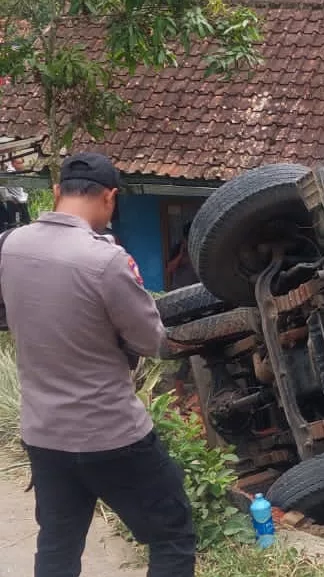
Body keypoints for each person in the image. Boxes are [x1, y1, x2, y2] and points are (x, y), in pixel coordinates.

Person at [0, 152, 196, 577]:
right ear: (110, 198)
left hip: (44, 434)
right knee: (172, 538)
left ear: (56, 193)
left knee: (57, 545)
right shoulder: (105, 260)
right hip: (111, 435)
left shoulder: (10, 245)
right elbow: (151, 341)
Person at [166, 222, 198, 290]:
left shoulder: (198, 247)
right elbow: (169, 269)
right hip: (180, 289)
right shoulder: (178, 248)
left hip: (196, 288)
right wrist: (180, 255)